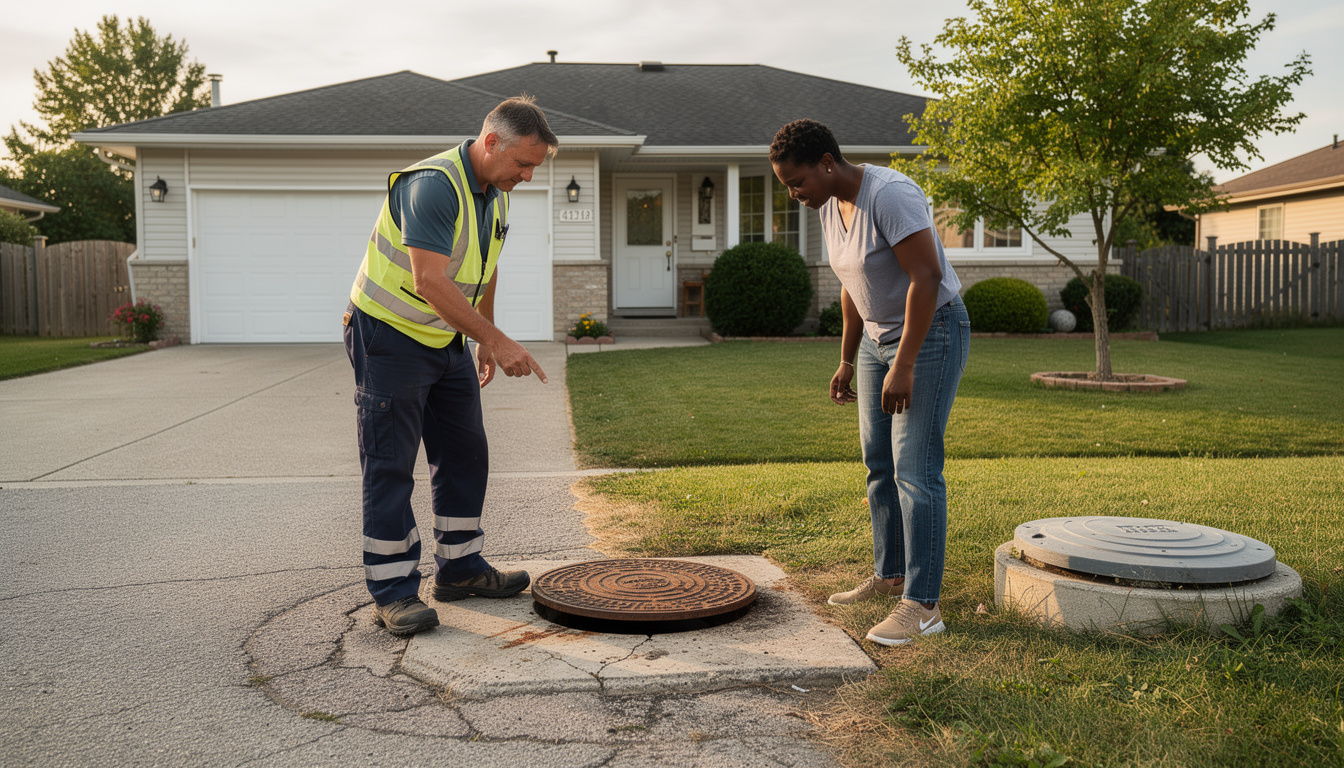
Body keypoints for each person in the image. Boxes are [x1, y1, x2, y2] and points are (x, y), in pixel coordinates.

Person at [344, 96, 558, 636]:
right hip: (388, 337)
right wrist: (499, 340)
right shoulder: (433, 185)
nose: (529, 176)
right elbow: (429, 280)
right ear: (491, 143)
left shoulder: (496, 194)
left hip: (445, 339)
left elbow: (482, 271)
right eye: (523, 164)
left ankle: (461, 570)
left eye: (535, 166)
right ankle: (393, 592)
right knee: (390, 463)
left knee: (465, 451)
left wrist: (482, 339)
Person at [770, 119, 970, 646]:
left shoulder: (892, 194)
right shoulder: (830, 204)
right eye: (787, 186)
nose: (794, 195)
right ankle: (890, 577)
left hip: (929, 334)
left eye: (797, 183)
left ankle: (923, 606)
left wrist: (903, 363)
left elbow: (925, 277)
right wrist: (844, 358)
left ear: (827, 163)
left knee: (916, 470)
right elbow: (851, 284)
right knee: (878, 463)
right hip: (874, 340)